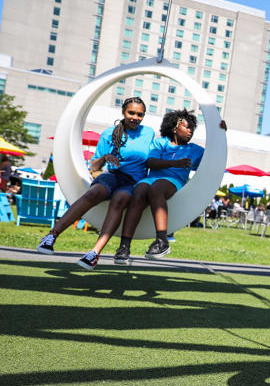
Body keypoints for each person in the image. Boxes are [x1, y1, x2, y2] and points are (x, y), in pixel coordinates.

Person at [36, 97, 153, 270]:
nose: (135, 117)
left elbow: (151, 159)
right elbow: (94, 166)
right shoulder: (109, 133)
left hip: (133, 182)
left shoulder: (148, 132)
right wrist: (105, 157)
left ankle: (94, 254)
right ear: (123, 112)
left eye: (140, 114)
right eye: (131, 113)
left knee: (120, 199)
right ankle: (51, 236)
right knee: (94, 193)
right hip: (113, 176)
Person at [113, 110, 217, 263]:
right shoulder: (161, 143)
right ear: (175, 128)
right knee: (139, 192)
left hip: (174, 181)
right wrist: (174, 163)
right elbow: (150, 162)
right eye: (187, 127)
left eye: (192, 129)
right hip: (151, 178)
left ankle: (162, 240)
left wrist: (220, 132)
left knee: (157, 188)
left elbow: (213, 159)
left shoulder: (195, 150)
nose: (190, 131)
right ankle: (124, 246)